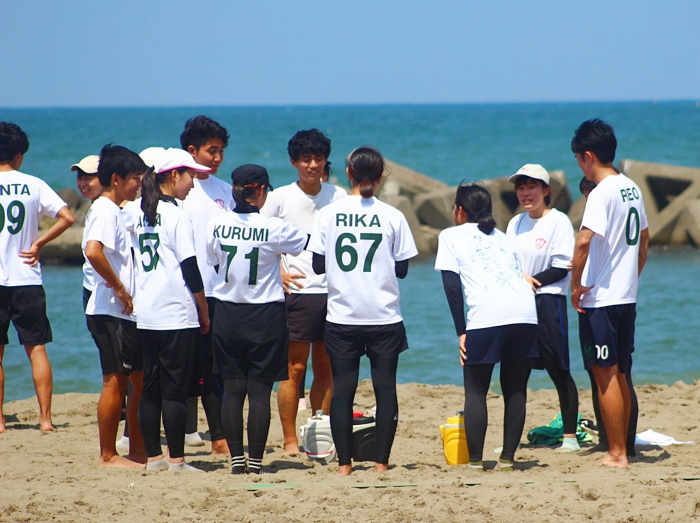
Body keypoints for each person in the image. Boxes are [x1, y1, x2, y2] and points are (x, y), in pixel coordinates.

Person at [309, 146, 418, 476]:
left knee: (343, 390)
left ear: (349, 175)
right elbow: (402, 270)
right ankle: (382, 463)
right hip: (384, 317)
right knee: (385, 389)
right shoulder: (392, 215)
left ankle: (344, 465)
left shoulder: (328, 214)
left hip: (343, 316)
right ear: (382, 175)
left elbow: (316, 265)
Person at [207, 164, 307, 474]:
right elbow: (303, 243)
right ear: (261, 191)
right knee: (260, 391)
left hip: (226, 312)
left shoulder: (217, 224)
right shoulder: (273, 227)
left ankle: (236, 461)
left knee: (233, 389)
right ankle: (256, 462)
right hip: (264, 314)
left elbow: (213, 263)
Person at [435, 183, 538, 471]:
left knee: (476, 390)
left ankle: (476, 462)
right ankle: (507, 459)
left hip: (487, 317)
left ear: (460, 210)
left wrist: (461, 331)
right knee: (516, 389)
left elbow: (452, 287)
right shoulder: (503, 237)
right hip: (526, 315)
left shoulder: (450, 235)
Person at [123, 148, 212, 472]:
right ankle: (176, 460)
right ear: (174, 176)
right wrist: (203, 309)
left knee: (149, 389)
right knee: (174, 391)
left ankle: (153, 458)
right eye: (190, 177)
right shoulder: (175, 214)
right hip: (175, 313)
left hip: (145, 314)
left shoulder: (133, 211)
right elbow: (190, 267)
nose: (192, 184)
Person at [570, 119, 650, 468]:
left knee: (606, 376)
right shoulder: (631, 187)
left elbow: (584, 240)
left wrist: (575, 286)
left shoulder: (602, 191)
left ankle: (617, 453)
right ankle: (625, 447)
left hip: (602, 299)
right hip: (626, 296)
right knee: (621, 374)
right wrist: (633, 275)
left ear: (588, 156)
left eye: (578, 158)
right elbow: (645, 237)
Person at [261, 128, 345, 454]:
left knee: (326, 366)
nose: (313, 165)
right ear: (294, 161)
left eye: (319, 159)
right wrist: (276, 271)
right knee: (294, 368)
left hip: (333, 292)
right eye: (306, 159)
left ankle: (318, 433)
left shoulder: (339, 197)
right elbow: (259, 236)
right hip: (296, 292)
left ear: (326, 162)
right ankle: (290, 440)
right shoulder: (279, 197)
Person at [0, 122, 75, 433]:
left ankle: (0, 422)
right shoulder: (33, 184)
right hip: (26, 277)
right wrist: (39, 244)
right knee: (37, 348)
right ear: (19, 155)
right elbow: (68, 217)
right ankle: (45, 420)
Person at [505, 164, 580, 453]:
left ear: (545, 190)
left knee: (558, 369)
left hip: (549, 301)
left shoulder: (558, 222)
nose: (526, 193)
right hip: (520, 304)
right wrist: (519, 281)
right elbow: (507, 262)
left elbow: (562, 268)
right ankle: (512, 439)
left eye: (532, 187)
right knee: (517, 371)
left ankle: (570, 437)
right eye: (521, 188)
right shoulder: (515, 224)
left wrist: (530, 281)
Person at [84, 144, 148, 468]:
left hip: (125, 312)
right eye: (135, 178)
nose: (139, 184)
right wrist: (120, 288)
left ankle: (138, 449)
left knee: (138, 378)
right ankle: (107, 455)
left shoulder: (119, 210)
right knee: (115, 380)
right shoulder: (106, 209)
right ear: (116, 178)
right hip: (109, 310)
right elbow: (93, 251)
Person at [180, 116, 232, 454]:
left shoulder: (225, 190)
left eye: (221, 151)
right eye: (211, 151)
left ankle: (219, 437)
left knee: (220, 368)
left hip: (222, 291)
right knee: (188, 370)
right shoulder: (179, 189)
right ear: (191, 150)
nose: (217, 157)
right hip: (186, 291)